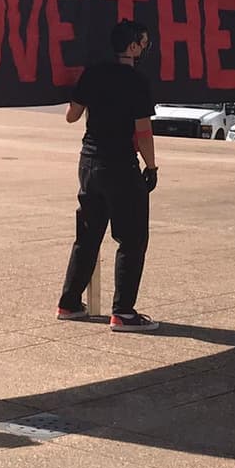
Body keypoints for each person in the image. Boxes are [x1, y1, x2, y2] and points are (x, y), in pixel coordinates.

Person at [58, 19, 160, 332]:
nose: (143, 49)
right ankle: (123, 312)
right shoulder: (137, 82)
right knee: (131, 239)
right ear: (131, 47)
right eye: (141, 44)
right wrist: (151, 167)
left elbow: (71, 116)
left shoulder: (92, 73)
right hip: (120, 166)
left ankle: (69, 303)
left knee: (88, 236)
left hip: (88, 162)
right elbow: (143, 131)